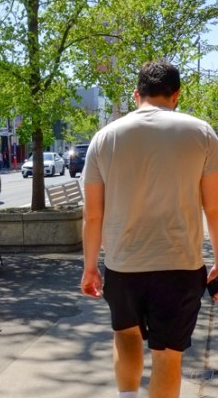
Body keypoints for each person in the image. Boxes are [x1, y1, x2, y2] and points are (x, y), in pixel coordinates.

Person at [81, 60, 218, 398]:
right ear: (177, 95)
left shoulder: (104, 138)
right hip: (180, 265)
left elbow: (93, 215)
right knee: (167, 356)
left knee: (126, 336)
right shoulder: (202, 134)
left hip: (123, 265)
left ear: (135, 93)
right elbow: (213, 206)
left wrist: (89, 268)